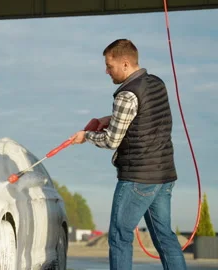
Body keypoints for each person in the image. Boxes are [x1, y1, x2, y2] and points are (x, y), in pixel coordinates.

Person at [69, 39, 187, 270]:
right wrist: (109, 119)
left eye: (109, 66)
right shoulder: (156, 83)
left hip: (138, 178)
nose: (106, 71)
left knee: (120, 237)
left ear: (124, 64)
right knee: (165, 237)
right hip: (164, 175)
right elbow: (144, 119)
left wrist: (86, 137)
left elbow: (112, 140)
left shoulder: (126, 94)